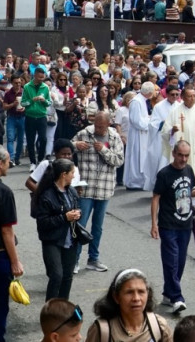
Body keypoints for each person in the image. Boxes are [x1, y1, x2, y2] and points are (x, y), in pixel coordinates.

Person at [151, 141, 195, 314]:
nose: (183, 159)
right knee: (171, 260)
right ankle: (177, 297)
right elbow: (155, 198)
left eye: (186, 156)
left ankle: (168, 294)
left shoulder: (189, 170)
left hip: (185, 224)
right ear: (174, 154)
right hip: (168, 224)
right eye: (180, 155)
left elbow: (189, 191)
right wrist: (154, 223)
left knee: (180, 262)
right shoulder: (164, 174)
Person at [73, 112, 125, 274]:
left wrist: (103, 150)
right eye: (96, 125)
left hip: (104, 188)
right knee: (80, 225)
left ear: (108, 124)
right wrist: (75, 145)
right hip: (85, 188)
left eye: (101, 127)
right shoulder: (84, 133)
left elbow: (119, 161)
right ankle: (74, 260)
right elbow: (64, 147)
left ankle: (93, 259)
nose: (98, 129)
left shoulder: (115, 138)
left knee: (97, 227)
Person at [34, 158, 81, 300]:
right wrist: (64, 217)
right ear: (64, 174)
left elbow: (76, 207)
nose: (74, 176)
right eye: (72, 173)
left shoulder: (71, 191)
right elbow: (43, 223)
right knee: (56, 275)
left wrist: (77, 214)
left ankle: (63, 307)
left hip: (70, 239)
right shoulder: (46, 195)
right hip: (52, 240)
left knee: (67, 276)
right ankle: (50, 308)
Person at [84, 268, 173, 342]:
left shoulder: (159, 326)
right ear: (116, 297)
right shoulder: (102, 331)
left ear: (148, 294)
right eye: (129, 292)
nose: (136, 298)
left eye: (141, 292)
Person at [0, 145, 21, 341]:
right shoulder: (3, 192)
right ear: (0, 163)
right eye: (7, 162)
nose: (9, 165)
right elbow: (6, 231)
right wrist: (15, 261)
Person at [163, 88, 195, 173]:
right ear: (182, 97)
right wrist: (172, 131)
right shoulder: (175, 112)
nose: (193, 98)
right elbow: (165, 131)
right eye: (190, 96)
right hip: (182, 149)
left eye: (194, 96)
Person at [124, 82, 157, 190]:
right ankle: (134, 182)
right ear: (149, 92)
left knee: (142, 158)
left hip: (143, 134)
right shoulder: (136, 102)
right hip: (137, 135)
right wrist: (150, 123)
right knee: (136, 158)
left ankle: (141, 181)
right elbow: (136, 121)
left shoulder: (143, 100)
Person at [22, 66, 52, 166]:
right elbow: (23, 103)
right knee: (30, 141)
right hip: (30, 116)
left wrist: (44, 101)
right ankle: (32, 162)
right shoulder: (27, 87)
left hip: (41, 116)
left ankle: (40, 158)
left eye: (43, 77)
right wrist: (31, 100)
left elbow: (49, 102)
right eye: (39, 77)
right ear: (34, 75)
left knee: (43, 139)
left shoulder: (45, 87)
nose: (41, 79)